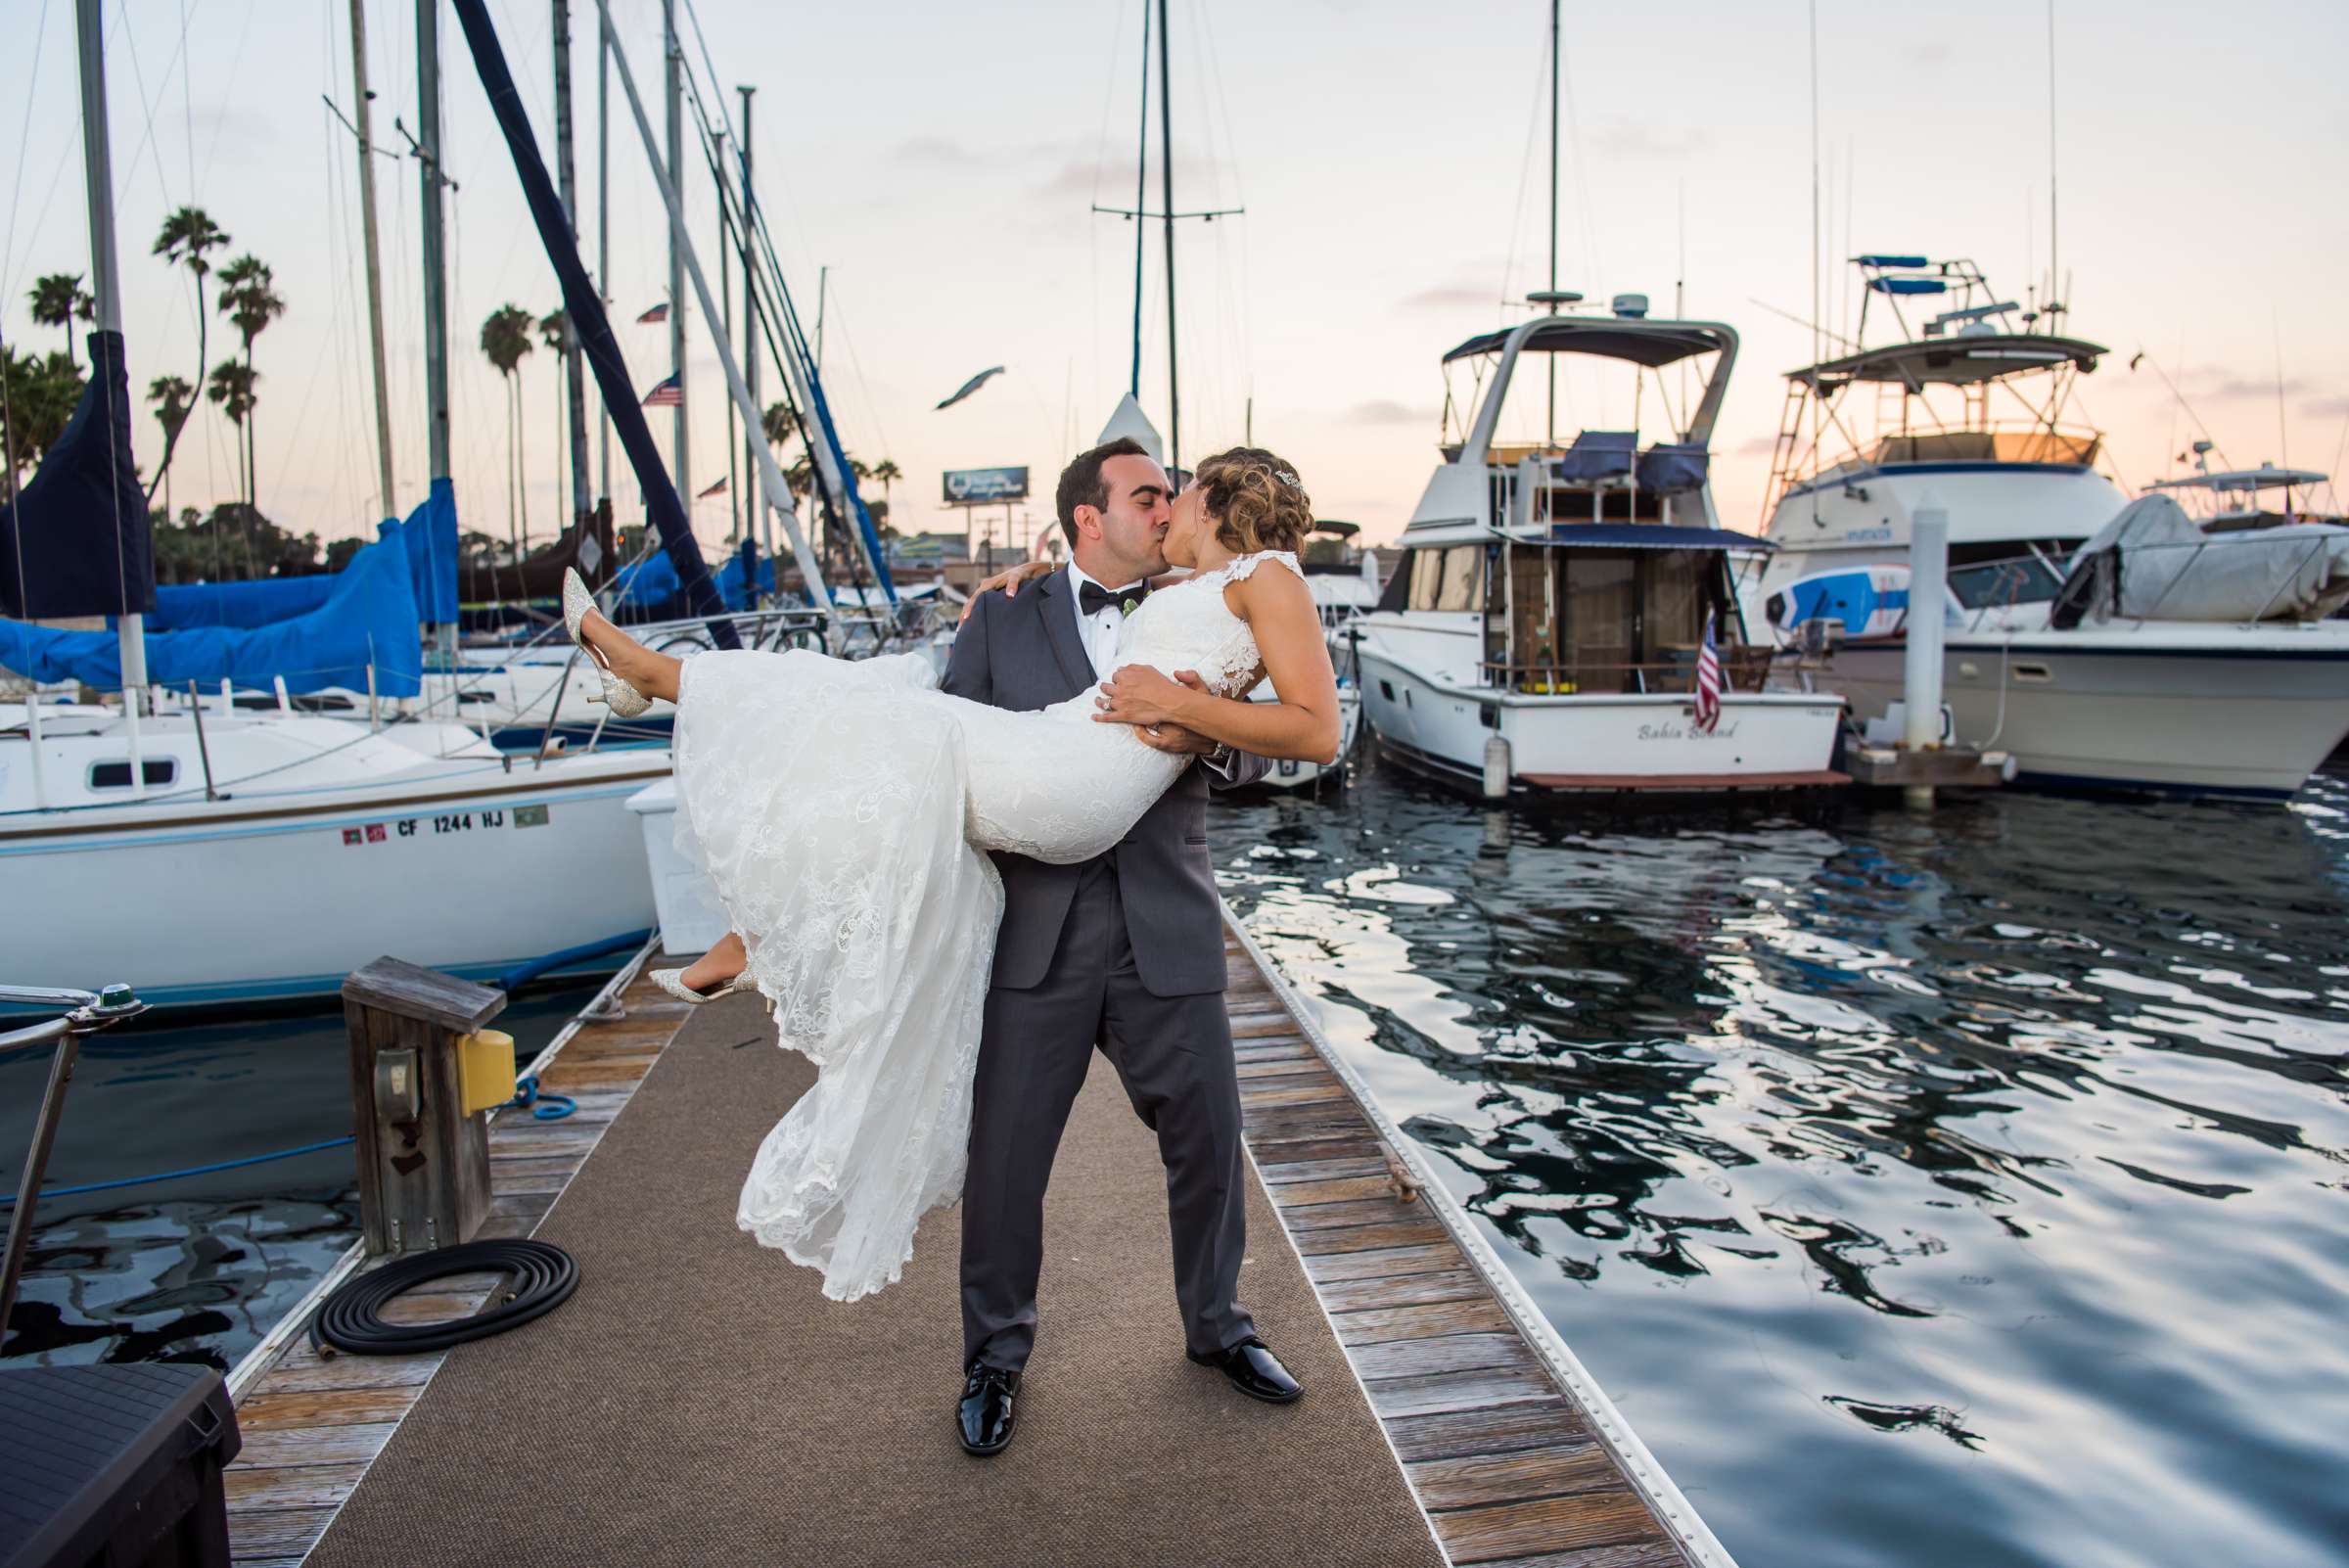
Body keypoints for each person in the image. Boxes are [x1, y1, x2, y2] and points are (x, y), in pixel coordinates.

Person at [558, 443, 1339, 1450]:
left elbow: (1271, 728)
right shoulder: (1004, 611)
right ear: (1085, 519)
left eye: (1171, 494)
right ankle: (994, 1358)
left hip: (1163, 924)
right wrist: (1020, 594)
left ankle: (1219, 1328)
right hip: (1037, 928)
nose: (1161, 508)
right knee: (1005, 1162)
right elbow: (944, 757)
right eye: (1143, 495)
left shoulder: (1207, 589)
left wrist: (1186, 718)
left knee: (1207, 1148)